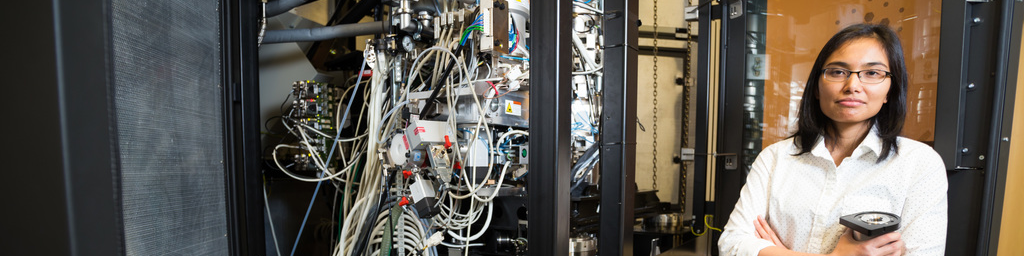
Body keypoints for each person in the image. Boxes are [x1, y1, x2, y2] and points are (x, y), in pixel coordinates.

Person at [717, 23, 948, 256]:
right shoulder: (776, 157)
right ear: (816, 87)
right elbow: (731, 244)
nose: (852, 86)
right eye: (838, 72)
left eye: (872, 73)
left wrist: (773, 252)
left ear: (890, 90)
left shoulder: (919, 164)